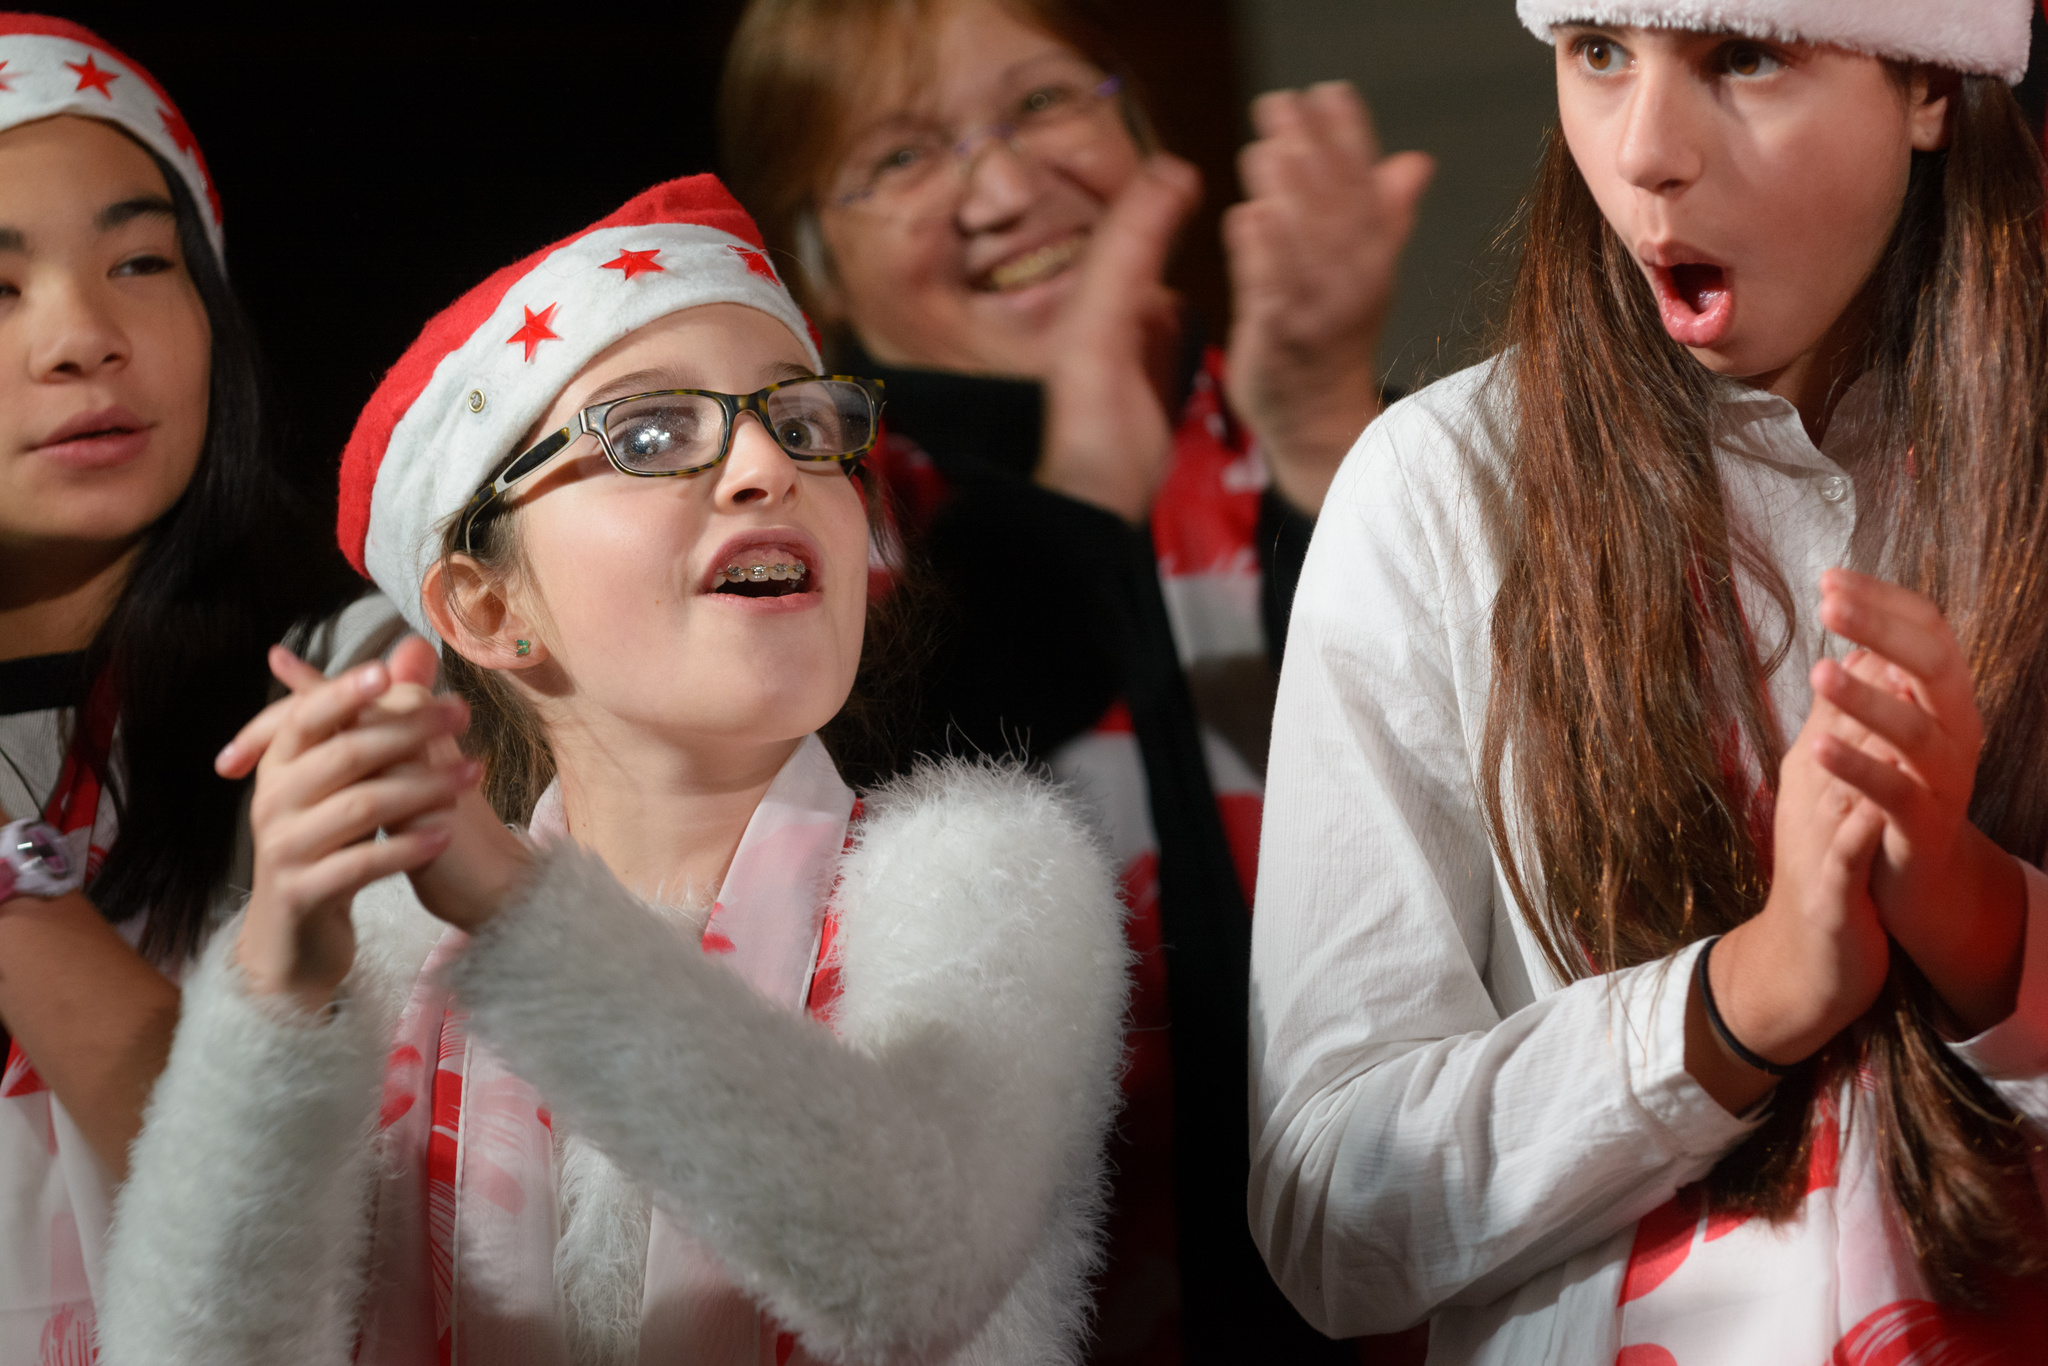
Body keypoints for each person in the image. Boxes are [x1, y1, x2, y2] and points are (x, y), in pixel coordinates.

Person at [99, 175, 1132, 1366]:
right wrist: (276, 991)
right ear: (485, 607)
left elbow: (906, 1258)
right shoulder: (383, 956)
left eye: (803, 425)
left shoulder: (980, 870)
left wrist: (512, 905)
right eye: (649, 435)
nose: (764, 466)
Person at [1252, 1, 2048, 1361]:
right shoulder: (1442, 493)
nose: (1644, 149)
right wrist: (1738, 1000)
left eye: (1744, 55)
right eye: (1598, 53)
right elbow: (1331, 1205)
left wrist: (1985, 927)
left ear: (1927, 79)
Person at [719, 4, 1432, 1357]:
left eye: (1043, 103)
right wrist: (1088, 479)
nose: (1000, 190)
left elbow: (1518, 819)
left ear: (1140, 126)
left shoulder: (1353, 450)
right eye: (902, 158)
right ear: (816, 273)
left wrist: (1331, 427)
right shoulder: (812, 543)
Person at [0, 15, 375, 1357]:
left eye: (144, 260)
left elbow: (345, 1230)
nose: (84, 337)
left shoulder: (352, 676)